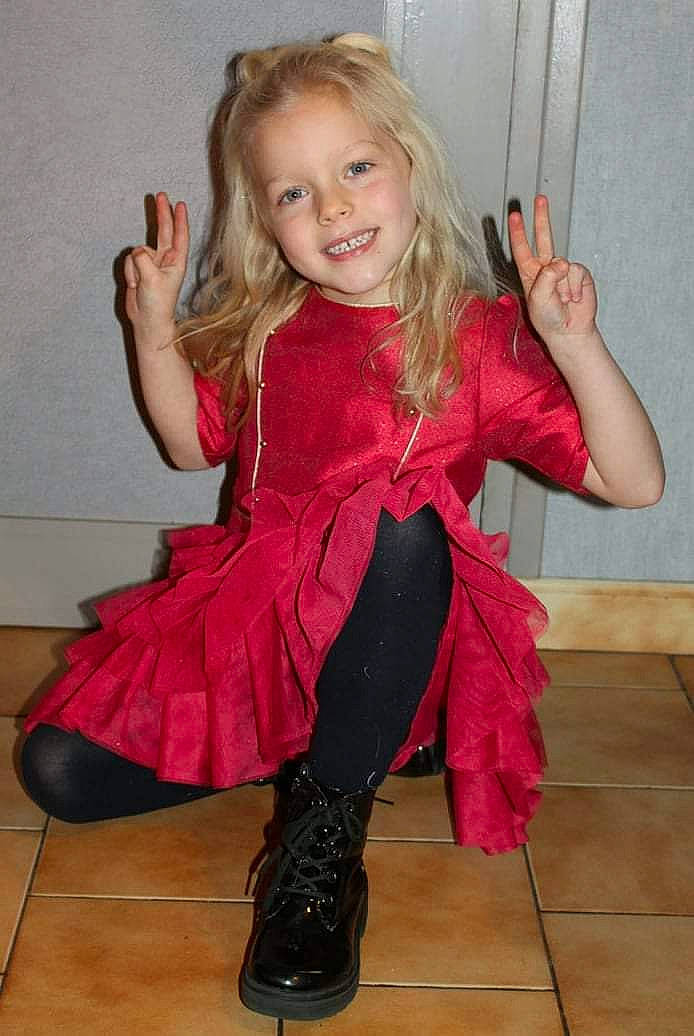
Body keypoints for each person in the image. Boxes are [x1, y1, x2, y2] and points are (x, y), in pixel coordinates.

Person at [20, 33, 664, 1022]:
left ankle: (325, 845)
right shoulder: (269, 328)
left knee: (402, 522)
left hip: (396, 635)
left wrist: (576, 347)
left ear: (411, 166)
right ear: (267, 226)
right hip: (272, 643)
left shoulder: (478, 341)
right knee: (56, 770)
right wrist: (152, 329)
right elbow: (194, 448)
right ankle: (326, 747)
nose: (331, 206)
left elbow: (634, 482)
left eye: (356, 168)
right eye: (292, 191)